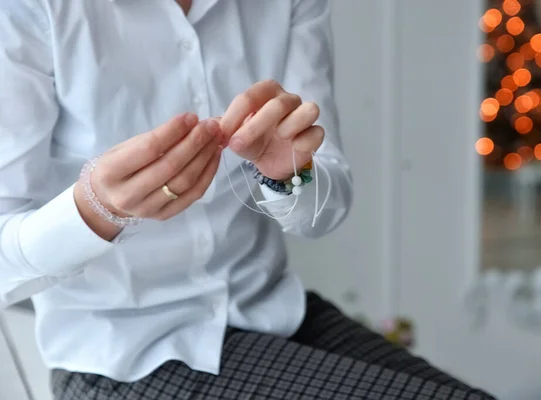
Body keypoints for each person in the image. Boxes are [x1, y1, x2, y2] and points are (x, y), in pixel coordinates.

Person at [0, 1, 495, 399]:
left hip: (274, 310)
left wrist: (289, 175)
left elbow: (329, 203)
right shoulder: (32, 10)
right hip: (124, 359)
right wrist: (94, 209)